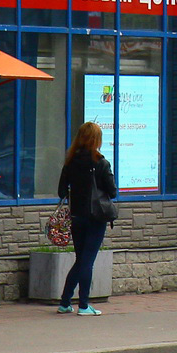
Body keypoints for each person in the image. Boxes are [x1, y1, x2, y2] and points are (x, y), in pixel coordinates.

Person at [56, 122, 117, 316]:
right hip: (96, 216)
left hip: (76, 216)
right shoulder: (101, 163)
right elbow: (112, 191)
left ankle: (65, 302)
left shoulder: (70, 161)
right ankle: (83, 305)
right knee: (87, 261)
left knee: (81, 259)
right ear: (96, 140)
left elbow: (61, 190)